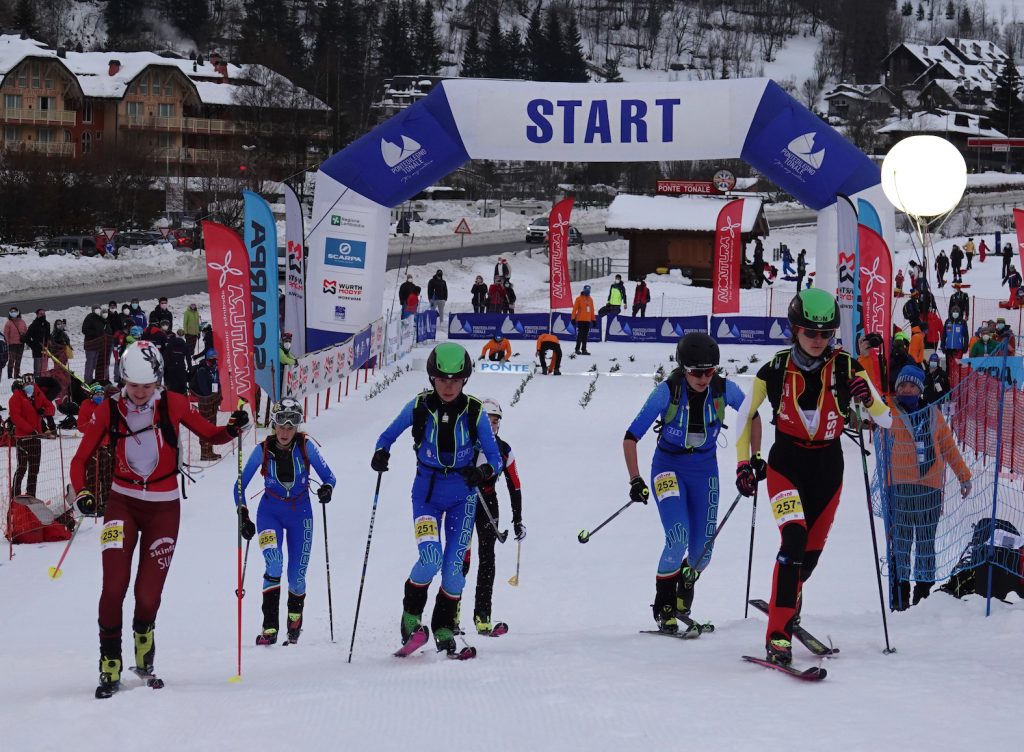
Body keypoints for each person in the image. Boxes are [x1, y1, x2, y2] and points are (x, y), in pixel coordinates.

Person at [71, 340, 248, 698]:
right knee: (113, 588)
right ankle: (110, 663)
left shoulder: (173, 403)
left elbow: (211, 434)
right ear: (123, 380)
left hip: (164, 509)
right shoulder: (109, 410)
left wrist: (234, 426)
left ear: (158, 382)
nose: (139, 393)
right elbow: (80, 460)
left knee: (148, 595)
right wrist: (83, 493)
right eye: (133, 385)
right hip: (122, 504)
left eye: (147, 386)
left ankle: (144, 651)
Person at [734, 289, 890, 665]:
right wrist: (745, 462)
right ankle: (778, 635)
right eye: (810, 332)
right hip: (785, 463)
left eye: (826, 334)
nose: (819, 340)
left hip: (827, 468)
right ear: (795, 330)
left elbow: (886, 418)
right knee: (793, 539)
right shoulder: (774, 369)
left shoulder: (848, 367)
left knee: (809, 558)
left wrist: (867, 399)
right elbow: (743, 416)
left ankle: (788, 599)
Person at [371, 343, 503, 656]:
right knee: (430, 559)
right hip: (427, 495)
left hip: (463, 497)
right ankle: (410, 618)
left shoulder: (475, 411)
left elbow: (495, 457)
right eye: (442, 379)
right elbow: (386, 436)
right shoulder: (418, 406)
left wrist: (482, 470)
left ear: (465, 381)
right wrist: (380, 453)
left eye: (455, 380)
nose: (448, 386)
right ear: (432, 378)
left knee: (454, 568)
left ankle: (443, 625)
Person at [625, 332, 762, 633]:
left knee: (703, 551)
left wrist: (755, 458)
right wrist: (635, 479)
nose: (703, 378)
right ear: (684, 369)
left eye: (709, 371)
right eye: (697, 372)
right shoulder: (666, 392)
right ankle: (664, 604)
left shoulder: (724, 390)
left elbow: (752, 415)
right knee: (677, 535)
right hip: (667, 469)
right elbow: (631, 437)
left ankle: (686, 579)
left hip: (704, 472)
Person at [235, 398, 336, 646]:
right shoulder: (262, 450)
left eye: (291, 426)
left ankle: (294, 618)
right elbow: (239, 486)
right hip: (270, 512)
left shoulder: (306, 447)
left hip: (301, 514)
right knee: (274, 561)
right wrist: (243, 514)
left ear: (297, 426)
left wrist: (327, 489)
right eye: (281, 424)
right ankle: (269, 627)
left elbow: (330, 477)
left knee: (297, 575)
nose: (285, 431)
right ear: (274, 424)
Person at [883, 364, 971, 610]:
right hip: (899, 487)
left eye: (911, 385)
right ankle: (899, 596)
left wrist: (964, 475)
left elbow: (948, 448)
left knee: (925, 543)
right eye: (902, 385)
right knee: (900, 542)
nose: (906, 389)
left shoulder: (934, 414)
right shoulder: (887, 411)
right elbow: (866, 413)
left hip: (929, 489)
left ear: (920, 389)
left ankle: (923, 597)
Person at [461, 399, 524, 635]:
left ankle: (482, 615)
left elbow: (515, 485)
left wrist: (517, 519)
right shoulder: (465, 445)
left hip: (488, 501)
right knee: (461, 557)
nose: (491, 427)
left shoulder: (503, 449)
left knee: (487, 557)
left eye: (495, 422)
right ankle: (451, 614)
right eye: (487, 422)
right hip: (465, 502)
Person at [9, 375, 55, 498]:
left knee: (34, 469)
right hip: (23, 438)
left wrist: (44, 411)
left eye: (31, 384)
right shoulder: (16, 398)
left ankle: (31, 495)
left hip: (36, 437)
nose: (29, 387)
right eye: (26, 385)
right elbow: (16, 417)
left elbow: (51, 408)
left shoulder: (37, 393)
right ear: (22, 386)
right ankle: (15, 495)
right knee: (22, 468)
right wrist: (30, 430)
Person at [189, 349, 223, 461]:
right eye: (214, 360)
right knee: (206, 426)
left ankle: (209, 450)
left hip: (213, 401)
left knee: (212, 426)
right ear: (209, 359)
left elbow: (216, 383)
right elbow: (204, 390)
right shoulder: (202, 370)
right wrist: (212, 396)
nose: (216, 362)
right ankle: (205, 452)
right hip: (205, 402)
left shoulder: (214, 369)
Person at [82, 303, 108, 382]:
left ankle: (91, 377)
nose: (97, 309)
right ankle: (87, 380)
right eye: (95, 308)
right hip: (91, 344)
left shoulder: (100, 318)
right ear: (92, 310)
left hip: (98, 345)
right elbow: (84, 330)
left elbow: (103, 328)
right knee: (90, 363)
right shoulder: (89, 317)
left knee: (94, 363)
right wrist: (95, 334)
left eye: (98, 308)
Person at [163, 330, 190, 394]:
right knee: (182, 388)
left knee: (172, 388)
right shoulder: (185, 344)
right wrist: (190, 368)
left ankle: (172, 401)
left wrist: (167, 367)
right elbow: (188, 358)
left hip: (171, 369)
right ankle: (182, 401)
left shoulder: (170, 343)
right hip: (181, 368)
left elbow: (165, 356)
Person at [571, 285, 596, 356]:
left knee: (585, 336)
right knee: (580, 335)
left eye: (589, 291)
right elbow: (574, 309)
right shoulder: (579, 299)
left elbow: (592, 310)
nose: (587, 292)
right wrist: (573, 318)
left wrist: (593, 319)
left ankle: (584, 349)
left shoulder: (590, 299)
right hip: (581, 320)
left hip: (587, 320)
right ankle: (577, 349)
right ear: (584, 290)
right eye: (586, 291)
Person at [25, 309, 50, 377]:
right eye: (41, 314)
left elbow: (48, 336)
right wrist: (33, 346)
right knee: (37, 370)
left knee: (44, 369)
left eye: (44, 313)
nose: (43, 315)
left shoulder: (47, 324)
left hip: (45, 349)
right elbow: (27, 338)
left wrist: (49, 345)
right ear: (37, 315)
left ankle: (44, 383)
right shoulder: (33, 325)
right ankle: (37, 383)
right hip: (37, 350)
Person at [943, 306, 968, 371]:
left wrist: (965, 346)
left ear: (959, 313)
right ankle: (948, 380)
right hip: (948, 348)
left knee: (956, 367)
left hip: (958, 349)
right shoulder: (947, 321)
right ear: (951, 313)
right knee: (948, 366)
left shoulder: (963, 322)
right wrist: (943, 345)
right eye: (954, 311)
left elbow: (965, 336)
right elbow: (944, 335)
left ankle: (956, 381)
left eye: (957, 312)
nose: (955, 313)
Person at [5, 306, 27, 378]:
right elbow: (6, 334)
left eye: (14, 311)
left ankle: (16, 375)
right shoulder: (8, 323)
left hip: (21, 344)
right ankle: (9, 375)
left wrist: (26, 339)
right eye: (12, 311)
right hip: (12, 344)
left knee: (18, 360)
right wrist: (7, 343)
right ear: (10, 313)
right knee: (11, 360)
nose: (13, 312)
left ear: (18, 312)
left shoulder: (22, 321)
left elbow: (26, 331)